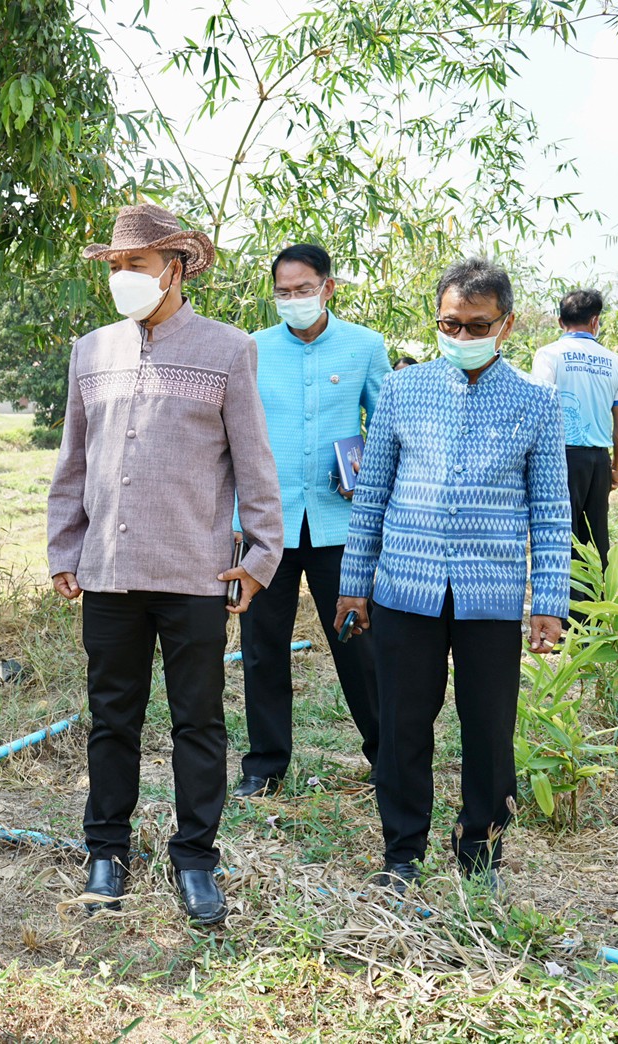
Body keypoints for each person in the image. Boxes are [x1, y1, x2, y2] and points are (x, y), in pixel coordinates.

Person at [48, 203, 285, 925]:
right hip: (109, 571)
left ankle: (195, 857)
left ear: (174, 269)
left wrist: (260, 556)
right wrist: (65, 545)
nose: (122, 278)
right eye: (115, 267)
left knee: (198, 722)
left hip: (193, 571)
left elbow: (254, 463)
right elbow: (73, 460)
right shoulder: (90, 350)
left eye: (135, 266)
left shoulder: (228, 349)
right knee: (111, 718)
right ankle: (107, 850)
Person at [334, 257, 569, 895]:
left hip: (489, 597)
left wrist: (548, 600)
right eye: (449, 324)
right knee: (403, 724)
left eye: (476, 325)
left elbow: (551, 514)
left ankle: (480, 853)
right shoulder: (403, 392)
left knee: (489, 728)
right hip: (405, 589)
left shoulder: (538, 404)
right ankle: (401, 854)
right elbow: (372, 496)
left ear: (507, 324)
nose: (461, 337)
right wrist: (353, 584)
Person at [233, 243, 388, 799]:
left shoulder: (365, 348)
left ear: (328, 287)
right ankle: (265, 765)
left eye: (304, 290)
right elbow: (235, 439)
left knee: (359, 642)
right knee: (261, 646)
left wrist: (367, 475)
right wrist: (236, 519)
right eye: (284, 292)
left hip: (339, 525)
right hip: (267, 527)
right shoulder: (251, 350)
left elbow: (387, 428)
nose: (294, 300)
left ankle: (385, 755)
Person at [530, 288, 618, 583]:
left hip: (558, 459)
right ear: (595, 321)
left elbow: (539, 411)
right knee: (597, 537)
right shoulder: (612, 361)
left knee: (560, 536)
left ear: (561, 322)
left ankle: (561, 613)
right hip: (598, 461)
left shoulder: (548, 355)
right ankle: (598, 613)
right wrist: (616, 468)